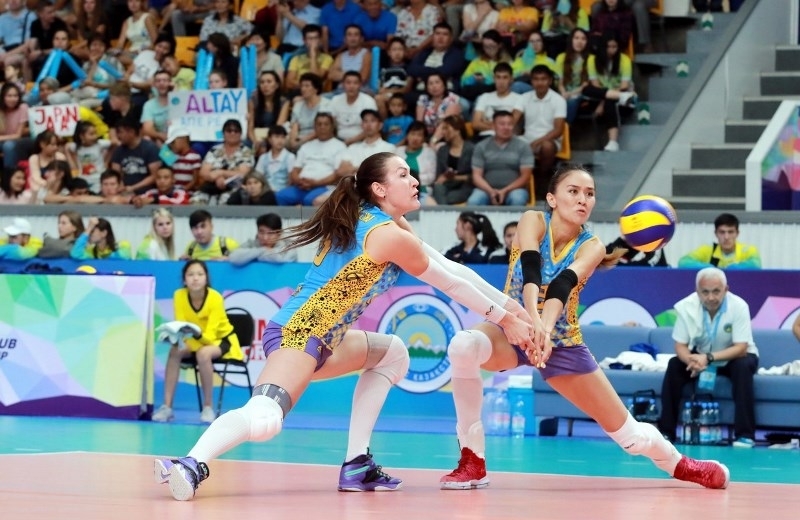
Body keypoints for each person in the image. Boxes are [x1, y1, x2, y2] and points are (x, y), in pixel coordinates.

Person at [154, 151, 533, 501]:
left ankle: (357, 464)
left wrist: (512, 310)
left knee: (392, 354)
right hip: (300, 332)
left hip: (324, 339)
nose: (415, 180)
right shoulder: (386, 235)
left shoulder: (381, 222)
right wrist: (505, 321)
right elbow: (450, 283)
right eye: (404, 174)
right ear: (379, 189)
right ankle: (190, 464)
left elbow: (452, 269)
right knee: (266, 416)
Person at [438, 164, 730, 491]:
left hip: (562, 343)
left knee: (631, 438)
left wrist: (545, 330)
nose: (583, 199)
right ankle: (473, 461)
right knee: (463, 346)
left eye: (589, 194)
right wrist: (532, 322)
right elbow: (531, 270)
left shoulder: (593, 247)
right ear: (552, 198)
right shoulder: (533, 220)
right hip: (513, 329)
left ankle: (682, 465)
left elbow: (562, 285)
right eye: (573, 191)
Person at [658, 267, 759, 448]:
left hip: (734, 356)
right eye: (705, 292)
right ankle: (666, 432)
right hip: (700, 357)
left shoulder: (739, 306)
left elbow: (741, 347)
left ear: (726, 290)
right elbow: (680, 345)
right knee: (674, 365)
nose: (711, 297)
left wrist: (708, 358)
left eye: (716, 291)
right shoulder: (686, 307)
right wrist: (691, 360)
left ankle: (745, 435)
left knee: (743, 366)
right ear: (697, 292)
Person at [152, 260, 245, 424]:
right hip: (194, 339)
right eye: (191, 275)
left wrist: (195, 334)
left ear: (206, 278)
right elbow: (181, 326)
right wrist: (173, 336)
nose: (195, 278)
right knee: (175, 351)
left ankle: (208, 407)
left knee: (203, 354)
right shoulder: (179, 295)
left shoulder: (215, 297)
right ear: (184, 279)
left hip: (220, 340)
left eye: (200, 274)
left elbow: (210, 336)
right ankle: (167, 407)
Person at [466, 110, 533, 206]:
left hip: (514, 190)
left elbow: (525, 176)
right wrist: (491, 191)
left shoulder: (523, 146)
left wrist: (505, 191)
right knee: (474, 201)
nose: (506, 127)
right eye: (502, 124)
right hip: (486, 190)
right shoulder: (481, 146)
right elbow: (476, 176)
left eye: (510, 124)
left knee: (517, 199)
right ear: (493, 126)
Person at [678, 213, 762, 270]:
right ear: (716, 233)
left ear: (737, 233)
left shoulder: (748, 250)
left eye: (730, 232)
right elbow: (683, 262)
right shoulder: (708, 250)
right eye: (722, 232)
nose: (726, 237)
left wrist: (731, 268)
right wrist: (710, 268)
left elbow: (756, 265)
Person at [229, 213, 298, 265]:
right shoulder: (251, 243)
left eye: (270, 233)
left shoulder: (289, 246)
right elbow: (233, 257)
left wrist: (252, 256)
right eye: (261, 232)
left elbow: (280, 259)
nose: (265, 238)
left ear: (279, 234)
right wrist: (262, 250)